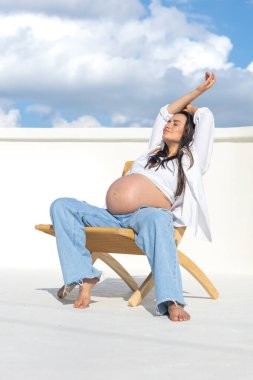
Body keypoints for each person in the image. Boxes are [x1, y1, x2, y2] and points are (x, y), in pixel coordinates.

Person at [50, 72, 216, 322]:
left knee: (160, 221)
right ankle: (86, 276)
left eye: (176, 124)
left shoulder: (190, 160)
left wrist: (194, 100)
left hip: (145, 217)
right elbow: (163, 112)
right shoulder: (151, 152)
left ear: (188, 134)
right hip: (112, 217)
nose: (168, 124)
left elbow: (206, 117)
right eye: (169, 123)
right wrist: (175, 113)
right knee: (61, 206)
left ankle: (171, 300)